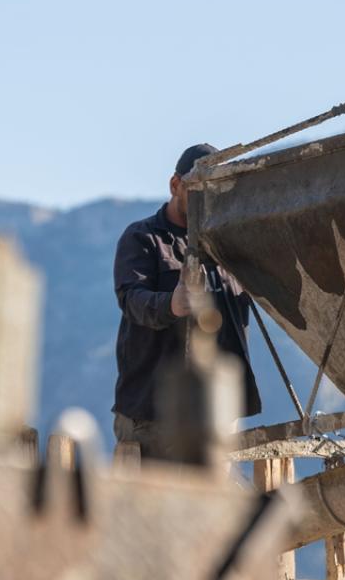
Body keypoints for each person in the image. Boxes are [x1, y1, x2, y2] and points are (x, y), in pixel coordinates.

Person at [111, 144, 261, 458]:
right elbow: (131, 298)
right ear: (175, 185)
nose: (206, 199)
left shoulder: (231, 245)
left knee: (215, 491)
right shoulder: (143, 238)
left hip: (218, 414)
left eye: (214, 191)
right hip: (152, 416)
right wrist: (172, 304)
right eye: (197, 189)